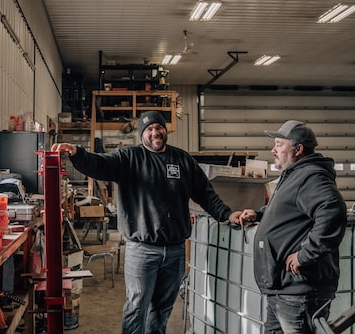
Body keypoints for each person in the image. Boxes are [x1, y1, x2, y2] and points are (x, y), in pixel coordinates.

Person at [51, 110, 241, 334]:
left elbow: (205, 193)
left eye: (158, 127)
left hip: (175, 250)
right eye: (149, 129)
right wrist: (77, 153)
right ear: (142, 134)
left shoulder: (182, 160)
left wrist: (227, 214)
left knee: (162, 309)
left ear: (165, 130)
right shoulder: (128, 158)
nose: (154, 133)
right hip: (142, 250)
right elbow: (100, 164)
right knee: (136, 306)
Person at [229, 120, 347, 334]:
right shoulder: (294, 174)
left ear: (298, 149)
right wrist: (260, 214)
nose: (273, 150)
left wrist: (305, 255)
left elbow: (332, 209)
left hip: (300, 291)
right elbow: (289, 210)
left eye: (279, 144)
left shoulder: (311, 176)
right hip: (282, 288)